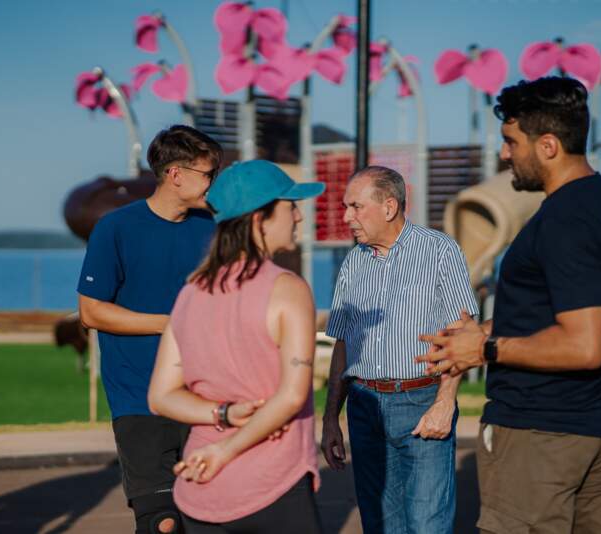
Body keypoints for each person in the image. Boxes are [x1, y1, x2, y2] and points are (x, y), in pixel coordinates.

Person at [418, 77, 601, 534]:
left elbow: (583, 345)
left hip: (544, 432)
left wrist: (486, 350)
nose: (504, 154)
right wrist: (482, 331)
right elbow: (568, 309)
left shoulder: (564, 219)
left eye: (511, 141)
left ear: (549, 146)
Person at [147, 160, 326, 534]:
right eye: (290, 206)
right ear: (259, 218)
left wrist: (224, 415)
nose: (298, 217)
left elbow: (162, 397)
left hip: (202, 490)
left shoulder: (191, 292)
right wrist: (224, 451)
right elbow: (291, 396)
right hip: (272, 485)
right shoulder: (288, 289)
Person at [77, 125, 223, 534]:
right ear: (176, 174)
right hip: (138, 400)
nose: (214, 181)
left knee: (208, 520)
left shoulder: (212, 228)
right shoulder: (115, 228)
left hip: (204, 397)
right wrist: (171, 325)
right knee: (161, 523)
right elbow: (91, 312)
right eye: (208, 173)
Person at [320, 166, 478, 534]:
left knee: (426, 525)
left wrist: (445, 402)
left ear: (389, 206)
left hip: (422, 403)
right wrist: (331, 419)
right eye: (346, 207)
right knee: (380, 524)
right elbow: (343, 344)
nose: (347, 217)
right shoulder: (354, 262)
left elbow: (462, 333)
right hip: (364, 407)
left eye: (356, 207)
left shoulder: (439, 251)